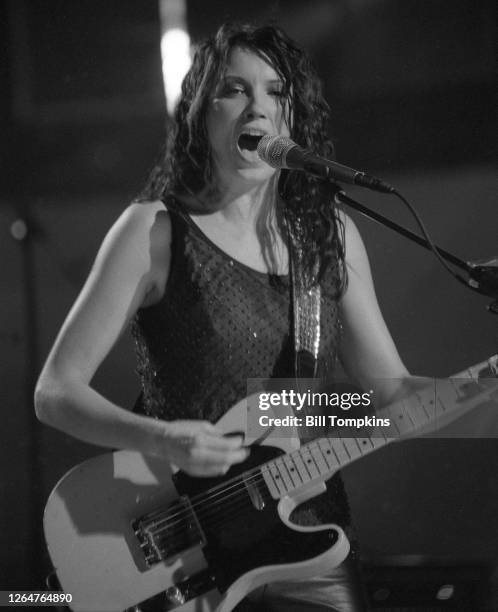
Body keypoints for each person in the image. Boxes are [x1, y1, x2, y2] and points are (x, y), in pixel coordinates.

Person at [35, 23, 423, 612]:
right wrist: (162, 437)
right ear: (199, 111)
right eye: (234, 90)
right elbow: (55, 392)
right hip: (184, 553)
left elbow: (391, 397)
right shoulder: (154, 230)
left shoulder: (330, 238)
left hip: (312, 543)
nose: (258, 107)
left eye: (275, 90)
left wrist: (479, 391)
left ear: (294, 117)